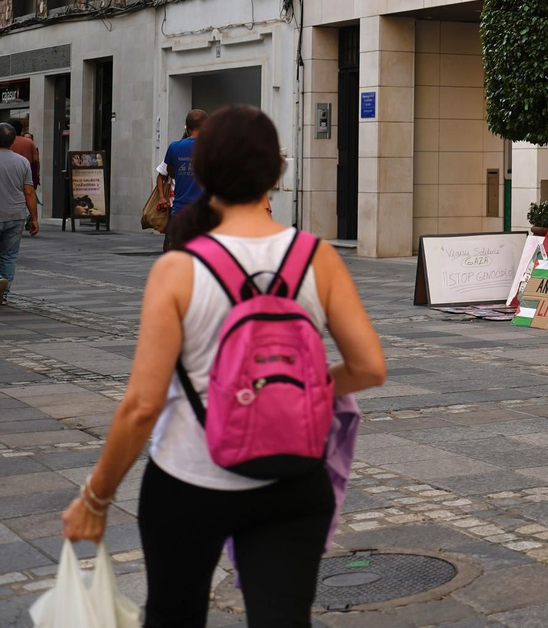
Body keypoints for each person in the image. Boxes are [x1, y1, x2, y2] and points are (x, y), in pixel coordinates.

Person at [60, 105, 386, 626]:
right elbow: (369, 367)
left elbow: (142, 406)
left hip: (189, 479)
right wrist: (302, 386)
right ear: (276, 175)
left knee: (173, 613)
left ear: (204, 174)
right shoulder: (314, 256)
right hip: (293, 477)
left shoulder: (178, 269)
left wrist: (96, 497)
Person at [158, 109, 208, 252]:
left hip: (180, 211)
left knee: (172, 252)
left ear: (186, 126)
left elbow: (171, 173)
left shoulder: (174, 147)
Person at [0, 123, 38, 303]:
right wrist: (34, 218)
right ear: (13, 140)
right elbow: (29, 192)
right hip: (16, 214)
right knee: (9, 255)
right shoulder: (22, 162)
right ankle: (4, 293)